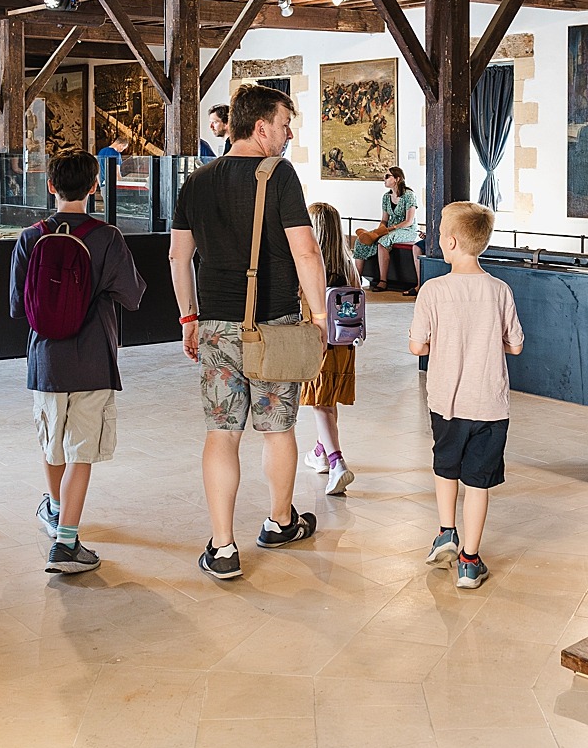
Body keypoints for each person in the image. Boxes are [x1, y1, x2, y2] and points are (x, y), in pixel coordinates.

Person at [169, 84, 329, 580]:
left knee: (222, 433)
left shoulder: (195, 180)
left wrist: (189, 317)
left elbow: (179, 256)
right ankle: (280, 522)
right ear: (260, 127)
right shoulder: (279, 175)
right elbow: (306, 251)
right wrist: (321, 318)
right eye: (285, 124)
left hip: (216, 326)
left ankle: (222, 547)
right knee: (277, 428)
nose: (288, 133)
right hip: (275, 326)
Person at [10, 150, 146, 576]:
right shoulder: (107, 237)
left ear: (51, 186)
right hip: (93, 360)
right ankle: (66, 543)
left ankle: (54, 510)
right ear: (94, 187)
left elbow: (18, 306)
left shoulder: (30, 237)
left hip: (45, 360)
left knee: (52, 445)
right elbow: (134, 296)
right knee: (81, 452)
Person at [411, 201, 523, 590]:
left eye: (440, 233)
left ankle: (446, 532)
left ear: (452, 242)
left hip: (446, 401)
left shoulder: (433, 290)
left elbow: (417, 347)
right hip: (490, 404)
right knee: (479, 481)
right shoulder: (499, 290)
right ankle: (470, 562)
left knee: (446, 466)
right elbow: (516, 346)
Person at [302, 202, 359, 496]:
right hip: (346, 344)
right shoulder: (349, 267)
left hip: (319, 342)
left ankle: (337, 463)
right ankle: (320, 451)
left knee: (319, 402)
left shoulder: (311, 267)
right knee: (329, 397)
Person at [351, 166, 418, 291]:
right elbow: (384, 219)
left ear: (397, 179)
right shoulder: (386, 197)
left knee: (383, 242)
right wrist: (379, 231)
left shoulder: (409, 196)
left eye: (387, 176)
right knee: (360, 242)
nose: (384, 179)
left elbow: (409, 221)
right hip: (389, 229)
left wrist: (390, 229)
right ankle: (357, 278)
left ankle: (383, 280)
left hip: (407, 230)